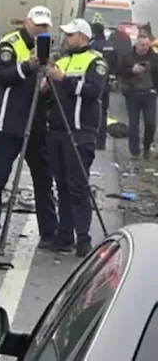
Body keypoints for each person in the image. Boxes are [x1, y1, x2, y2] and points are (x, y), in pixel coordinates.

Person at [0, 6, 57, 248]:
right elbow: (3, 76)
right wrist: (28, 66)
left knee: (43, 178)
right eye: (37, 24)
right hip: (9, 122)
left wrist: (47, 86)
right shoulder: (9, 44)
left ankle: (49, 231)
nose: (40, 29)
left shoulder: (49, 48)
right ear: (26, 23)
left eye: (45, 26)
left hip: (36, 122)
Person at [43, 18, 108, 257]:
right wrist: (46, 87)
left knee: (78, 186)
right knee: (61, 185)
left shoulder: (95, 61)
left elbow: (94, 91)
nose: (65, 39)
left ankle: (83, 238)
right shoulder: (60, 61)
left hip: (81, 132)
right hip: (58, 130)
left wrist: (63, 80)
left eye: (70, 35)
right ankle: (64, 235)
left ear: (83, 37)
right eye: (65, 35)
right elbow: (51, 97)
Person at [119, 32, 158, 159]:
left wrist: (155, 89)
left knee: (151, 123)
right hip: (133, 94)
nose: (144, 48)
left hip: (149, 94)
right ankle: (134, 150)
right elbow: (120, 72)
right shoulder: (128, 57)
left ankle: (147, 147)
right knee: (134, 123)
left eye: (146, 45)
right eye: (142, 45)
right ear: (136, 44)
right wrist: (132, 70)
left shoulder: (154, 57)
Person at [90, 22, 117, 150]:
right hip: (107, 83)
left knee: (94, 110)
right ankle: (102, 141)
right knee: (104, 111)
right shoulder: (110, 45)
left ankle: (94, 139)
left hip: (96, 82)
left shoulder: (93, 46)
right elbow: (115, 62)